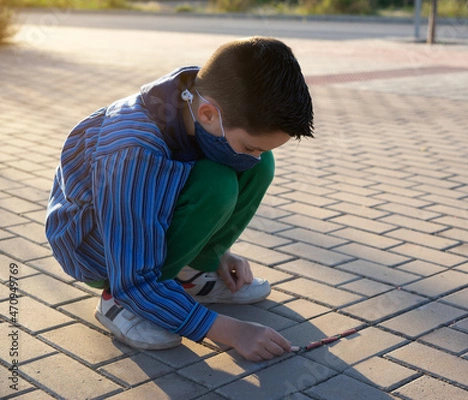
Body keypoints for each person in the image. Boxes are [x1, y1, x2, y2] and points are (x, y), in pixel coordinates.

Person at [45, 36, 314, 362]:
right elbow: (134, 274)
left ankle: (187, 273)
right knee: (218, 184)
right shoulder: (133, 150)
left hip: (144, 213)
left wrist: (218, 254)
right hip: (100, 248)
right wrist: (232, 331)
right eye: (249, 146)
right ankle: (116, 301)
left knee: (257, 167)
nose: (253, 157)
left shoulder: (203, 102)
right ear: (207, 113)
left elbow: (176, 189)